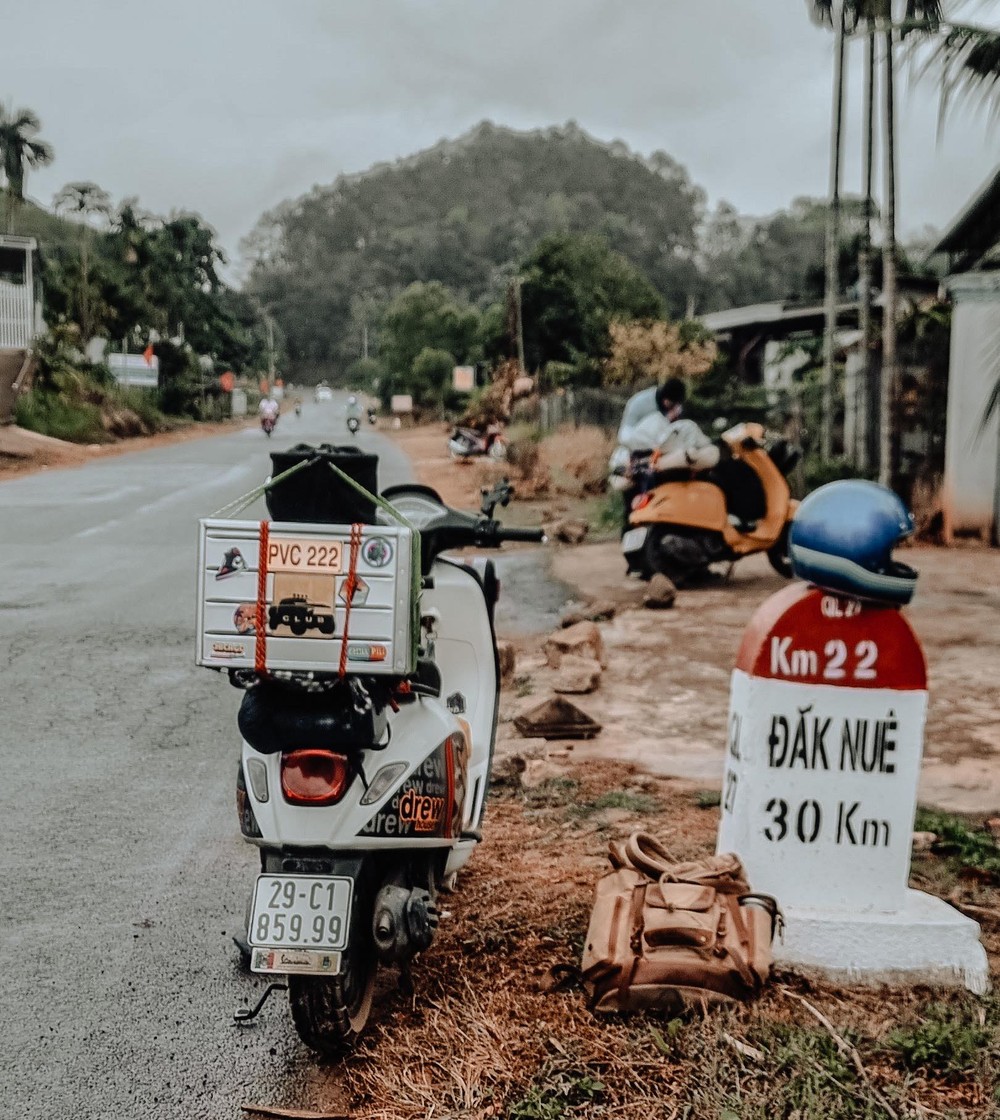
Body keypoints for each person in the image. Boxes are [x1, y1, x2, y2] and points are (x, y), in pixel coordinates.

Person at [620, 378, 719, 535]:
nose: (671, 406)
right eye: (669, 402)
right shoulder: (639, 403)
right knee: (634, 487)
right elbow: (625, 435)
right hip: (641, 451)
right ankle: (631, 528)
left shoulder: (676, 406)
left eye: (675, 404)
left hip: (667, 454)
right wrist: (647, 445)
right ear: (662, 397)